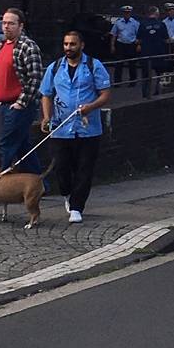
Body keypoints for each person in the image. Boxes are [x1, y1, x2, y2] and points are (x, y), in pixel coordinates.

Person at [39, 31, 111, 224]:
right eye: (65, 44)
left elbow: (105, 94)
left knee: (84, 169)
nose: (68, 48)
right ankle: (67, 193)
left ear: (81, 45)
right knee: (62, 167)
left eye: (72, 44)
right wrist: (46, 117)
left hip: (88, 129)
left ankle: (77, 207)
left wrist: (90, 107)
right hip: (61, 128)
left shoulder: (94, 66)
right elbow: (46, 93)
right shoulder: (55, 68)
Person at [0, 8, 46, 174]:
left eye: (11, 23)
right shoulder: (2, 45)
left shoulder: (28, 47)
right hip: (4, 104)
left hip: (20, 106)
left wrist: (21, 103)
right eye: (4, 23)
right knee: (23, 146)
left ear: (20, 26)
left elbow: (35, 77)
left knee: (6, 144)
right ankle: (40, 184)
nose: (6, 26)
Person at [135, 5, 171, 98]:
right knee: (159, 74)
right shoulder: (162, 24)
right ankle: (157, 91)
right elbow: (166, 39)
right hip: (159, 52)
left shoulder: (142, 24)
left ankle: (145, 93)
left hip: (146, 53)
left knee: (145, 75)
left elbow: (138, 39)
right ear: (156, 13)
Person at [110, 6, 140, 85]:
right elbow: (114, 35)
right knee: (119, 64)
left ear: (130, 13)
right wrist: (112, 45)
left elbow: (139, 35)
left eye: (128, 12)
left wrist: (138, 45)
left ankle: (132, 81)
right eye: (125, 12)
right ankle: (117, 82)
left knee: (132, 64)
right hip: (121, 45)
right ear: (123, 13)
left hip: (131, 45)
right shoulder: (118, 22)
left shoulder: (135, 23)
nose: (127, 14)